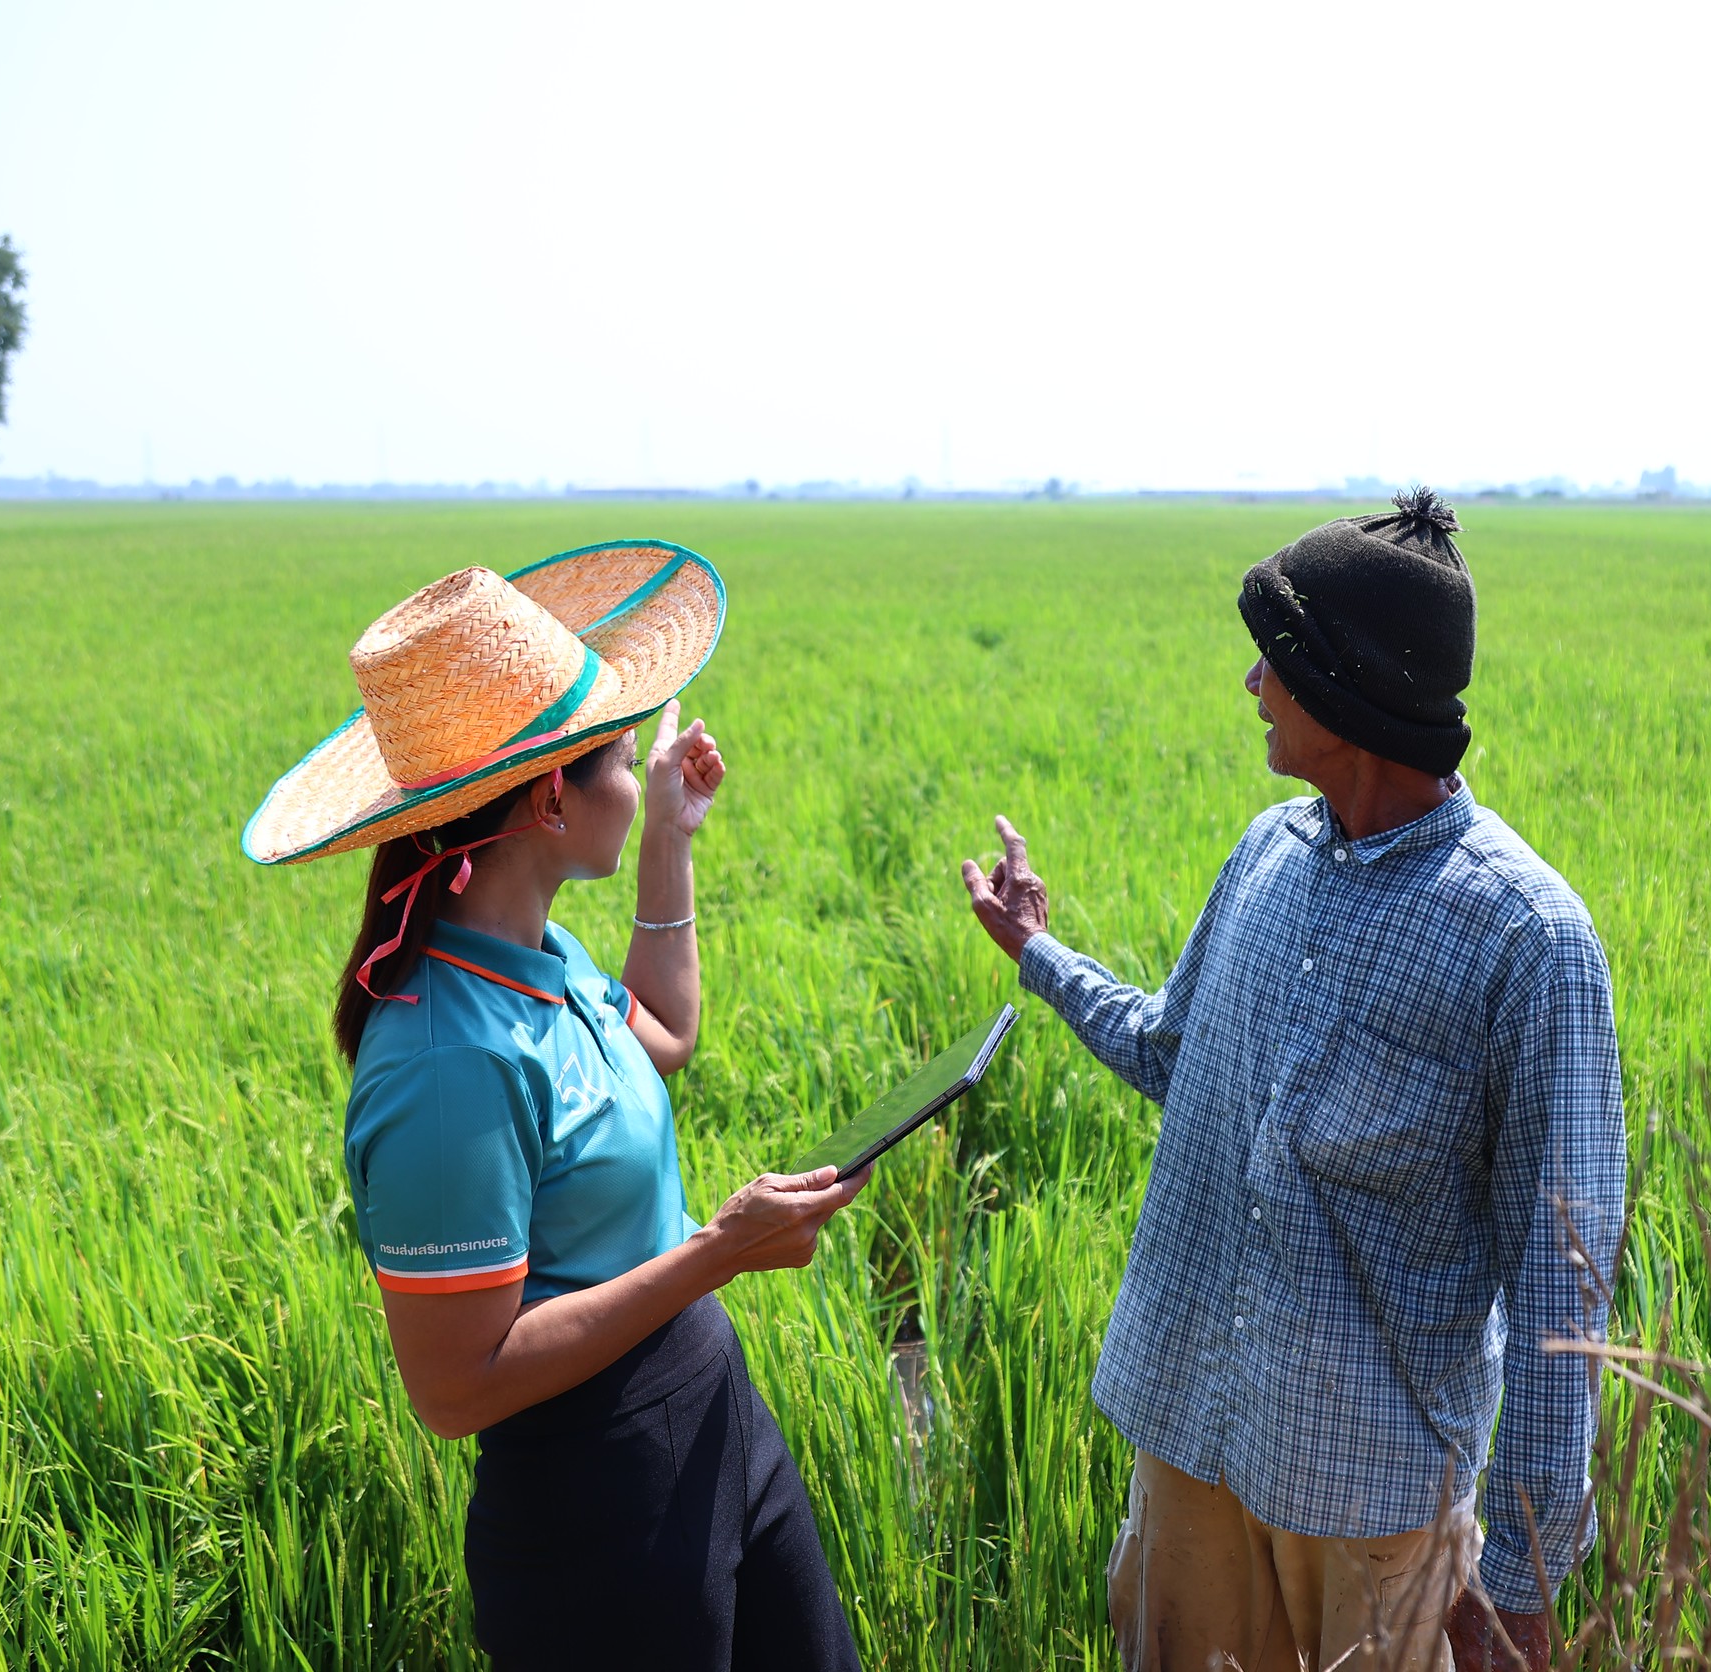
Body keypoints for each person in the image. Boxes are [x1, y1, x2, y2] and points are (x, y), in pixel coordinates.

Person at [961, 490, 1627, 1672]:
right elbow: (1173, 1051)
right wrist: (1038, 952)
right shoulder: (1267, 854)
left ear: (1345, 691)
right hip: (1189, 1440)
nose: (1253, 683)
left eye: (1275, 659)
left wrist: (1521, 1592)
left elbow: (1560, 1289)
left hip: (1372, 1503)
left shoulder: (1526, 940)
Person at [244, 546, 865, 1670]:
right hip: (598, 1504)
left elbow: (664, 1034)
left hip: (711, 1409)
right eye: (622, 760)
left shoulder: (543, 955)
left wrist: (668, 830)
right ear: (546, 800)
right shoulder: (446, 1062)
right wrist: (718, 1250)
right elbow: (455, 1387)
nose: (635, 771)